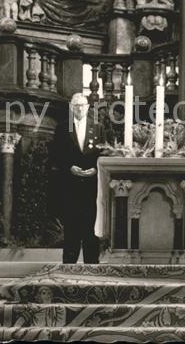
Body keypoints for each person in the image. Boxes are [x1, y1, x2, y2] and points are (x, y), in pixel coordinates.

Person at [52, 93, 107, 264]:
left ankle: (92, 266)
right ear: (71, 107)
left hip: (92, 186)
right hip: (70, 186)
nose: (80, 108)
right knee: (71, 227)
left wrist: (96, 169)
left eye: (82, 105)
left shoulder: (98, 128)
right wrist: (69, 167)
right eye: (76, 105)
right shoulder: (62, 128)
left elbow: (104, 153)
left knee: (91, 226)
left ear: (88, 107)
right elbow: (55, 155)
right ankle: (69, 266)